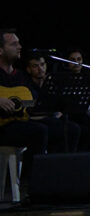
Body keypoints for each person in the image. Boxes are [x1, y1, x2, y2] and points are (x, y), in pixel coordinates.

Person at [0, 30, 49, 192]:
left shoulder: (20, 76)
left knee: (68, 128)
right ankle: (31, 185)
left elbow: (32, 102)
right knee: (39, 131)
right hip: (3, 128)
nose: (20, 47)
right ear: (1, 50)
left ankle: (60, 180)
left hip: (19, 122)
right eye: (14, 44)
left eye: (19, 43)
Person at [24, 51, 82, 153]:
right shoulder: (26, 85)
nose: (40, 69)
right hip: (35, 119)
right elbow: (24, 103)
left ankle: (68, 159)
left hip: (51, 116)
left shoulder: (51, 82)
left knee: (75, 127)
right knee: (66, 130)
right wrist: (38, 103)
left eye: (42, 65)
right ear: (28, 69)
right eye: (35, 66)